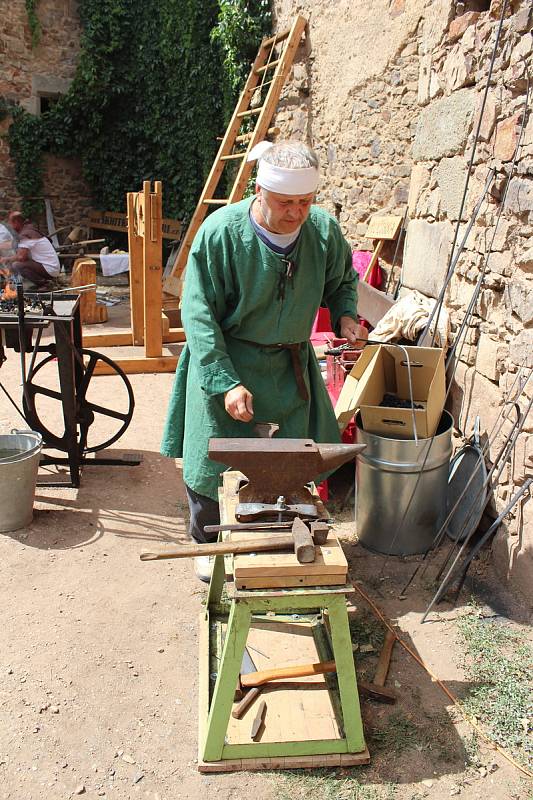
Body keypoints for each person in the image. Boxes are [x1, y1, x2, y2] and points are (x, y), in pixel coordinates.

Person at [161, 140, 368, 581]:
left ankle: (274, 532)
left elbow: (341, 279)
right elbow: (197, 315)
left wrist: (347, 314)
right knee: (214, 457)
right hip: (227, 359)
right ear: (259, 190)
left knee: (292, 454)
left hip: (289, 366)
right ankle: (210, 542)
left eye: (304, 202)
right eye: (284, 202)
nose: (295, 212)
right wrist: (223, 380)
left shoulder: (324, 232)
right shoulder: (220, 233)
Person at [0, 211, 60, 289]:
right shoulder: (28, 230)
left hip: (50, 269)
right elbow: (13, 244)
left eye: (11, 223)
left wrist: (6, 259)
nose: (10, 226)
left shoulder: (26, 234)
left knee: (17, 265)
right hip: (49, 267)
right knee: (15, 262)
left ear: (17, 222)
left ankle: (45, 284)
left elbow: (21, 257)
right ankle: (39, 283)